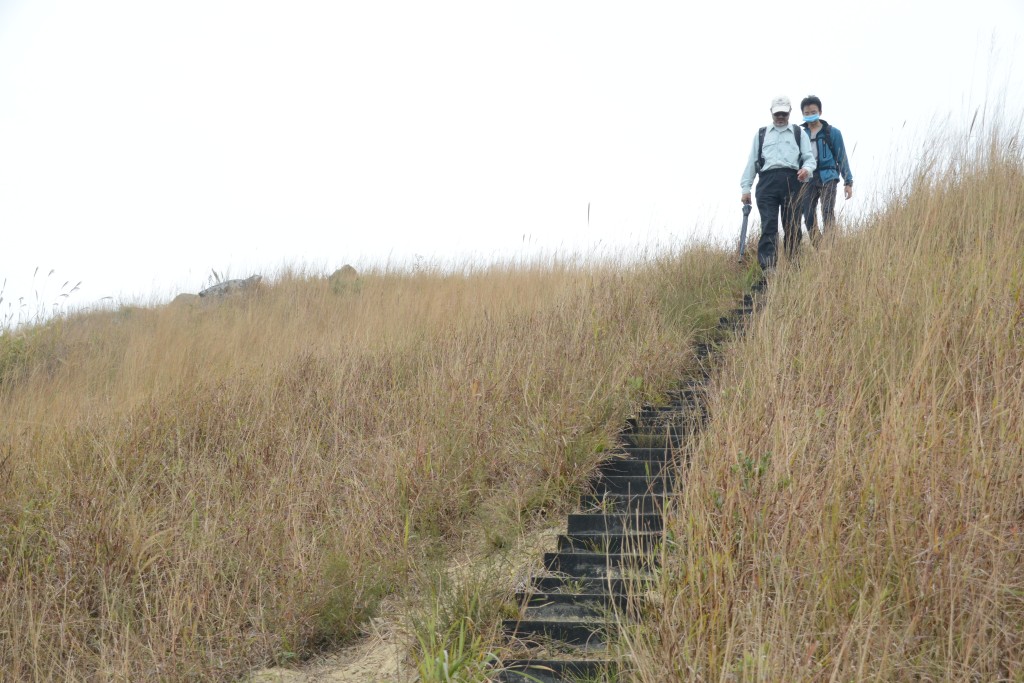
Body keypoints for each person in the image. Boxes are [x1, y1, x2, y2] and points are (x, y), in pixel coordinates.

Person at [740, 96, 816, 271]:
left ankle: (794, 266)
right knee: (768, 225)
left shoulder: (799, 133)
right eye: (777, 114)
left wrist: (806, 170)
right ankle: (768, 269)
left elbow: (809, 160)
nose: (780, 117)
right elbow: (752, 162)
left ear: (789, 112)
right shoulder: (761, 134)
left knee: (792, 225)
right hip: (766, 182)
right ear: (771, 113)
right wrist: (746, 189)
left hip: (792, 182)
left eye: (783, 113)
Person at [799, 95, 854, 246]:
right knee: (808, 213)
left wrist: (848, 181)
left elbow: (841, 156)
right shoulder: (800, 134)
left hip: (828, 175)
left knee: (827, 210)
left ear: (820, 111)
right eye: (807, 113)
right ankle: (819, 247)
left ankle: (831, 246)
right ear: (803, 114)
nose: (810, 115)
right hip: (807, 178)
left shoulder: (832, 132)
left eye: (813, 111)